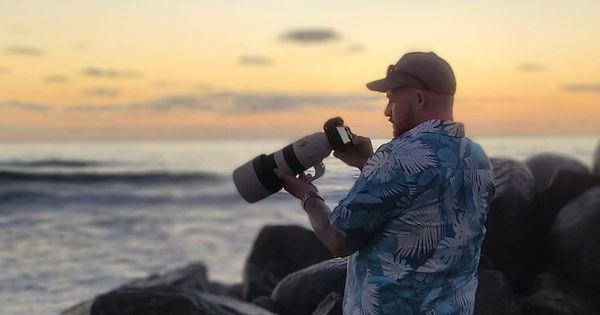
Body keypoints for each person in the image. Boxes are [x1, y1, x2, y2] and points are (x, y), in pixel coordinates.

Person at [274, 52, 495, 314]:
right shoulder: (477, 159)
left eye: (391, 100)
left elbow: (338, 239)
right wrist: (368, 163)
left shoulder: (397, 157)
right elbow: (422, 210)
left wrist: (308, 196)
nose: (387, 112)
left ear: (419, 98)